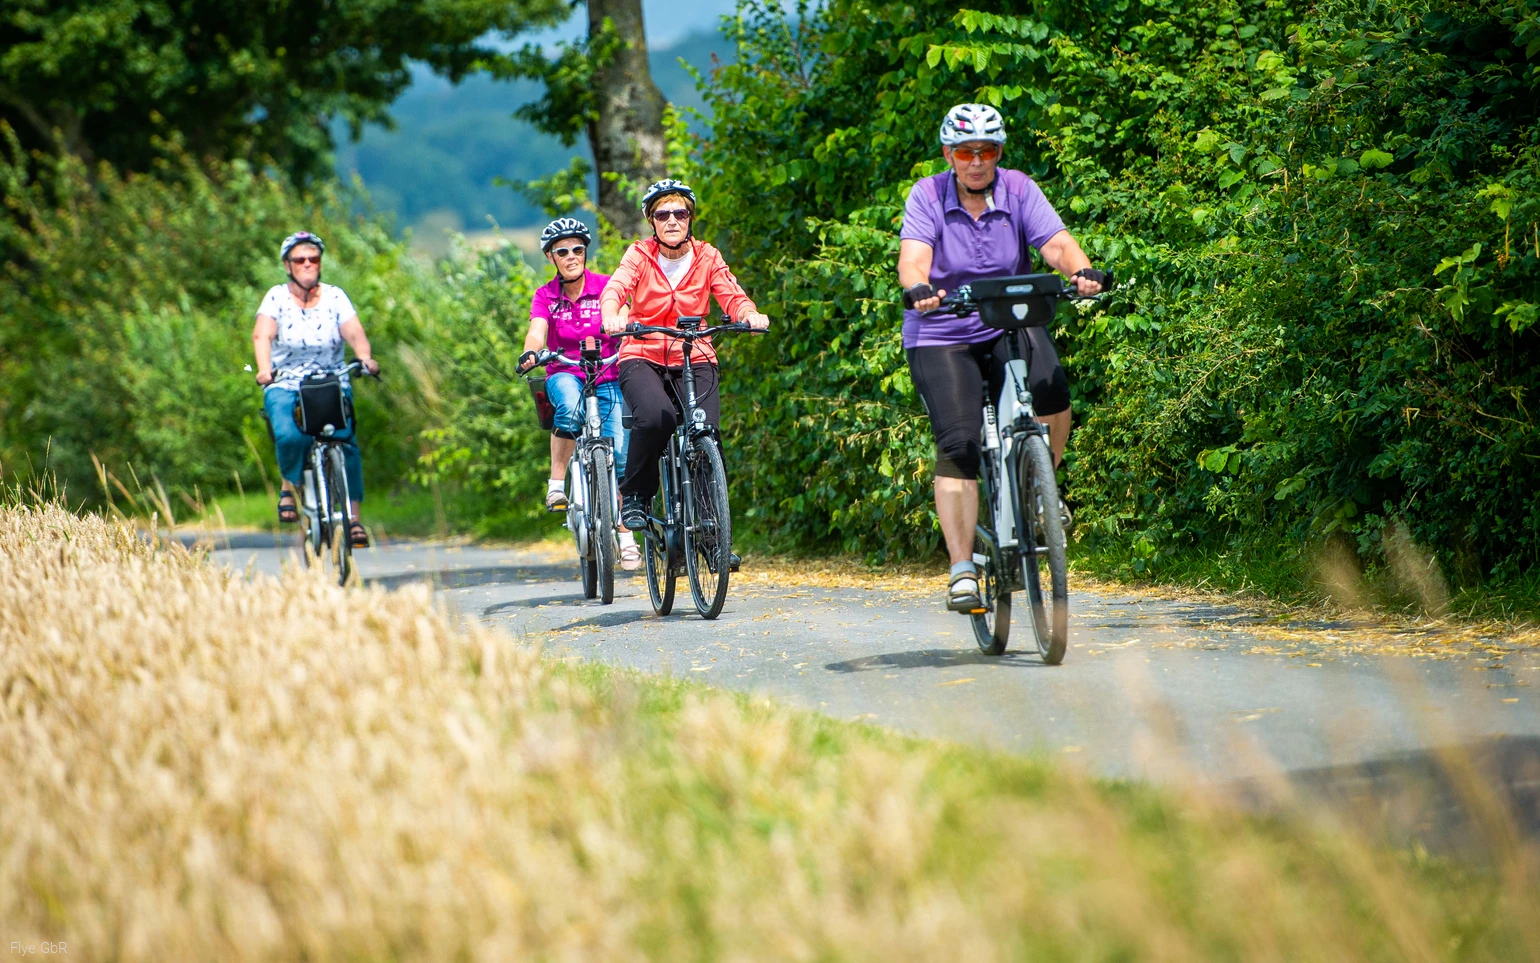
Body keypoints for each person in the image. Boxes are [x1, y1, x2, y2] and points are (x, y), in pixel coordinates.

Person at [895, 104, 1108, 613]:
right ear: (948, 154)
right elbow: (914, 258)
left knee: (1052, 389)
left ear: (999, 153)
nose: (976, 161)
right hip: (942, 329)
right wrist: (920, 288)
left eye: (986, 151)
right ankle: (962, 570)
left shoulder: (1018, 189)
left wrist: (1082, 272)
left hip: (1009, 319)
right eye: (965, 152)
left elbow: (1057, 245)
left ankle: (1039, 488)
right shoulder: (928, 194)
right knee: (959, 443)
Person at [598, 179, 769, 558]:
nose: (672, 220)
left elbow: (732, 294)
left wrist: (750, 314)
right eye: (663, 214)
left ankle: (714, 540)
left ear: (690, 218)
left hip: (695, 354)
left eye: (680, 213)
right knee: (655, 418)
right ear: (652, 221)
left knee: (706, 434)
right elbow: (616, 288)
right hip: (642, 353)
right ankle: (636, 496)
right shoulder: (639, 254)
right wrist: (611, 314)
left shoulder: (708, 256)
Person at [516, 217, 639, 571]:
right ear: (551, 257)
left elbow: (624, 315)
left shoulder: (606, 286)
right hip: (565, 371)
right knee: (569, 410)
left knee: (621, 455)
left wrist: (629, 329)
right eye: (562, 251)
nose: (571, 256)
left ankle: (626, 536)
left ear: (586, 252)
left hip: (608, 372)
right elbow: (536, 332)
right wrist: (530, 352)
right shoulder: (545, 296)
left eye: (577, 249)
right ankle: (557, 484)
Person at [252, 231, 379, 547]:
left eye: (313, 258)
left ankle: (354, 519)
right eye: (300, 260)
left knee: (345, 441)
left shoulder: (335, 297)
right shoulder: (276, 298)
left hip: (330, 381)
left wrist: (365, 358)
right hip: (286, 382)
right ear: (288, 265)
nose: (307, 264)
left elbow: (355, 333)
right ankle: (289, 487)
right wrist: (265, 369)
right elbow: (262, 335)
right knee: (289, 436)